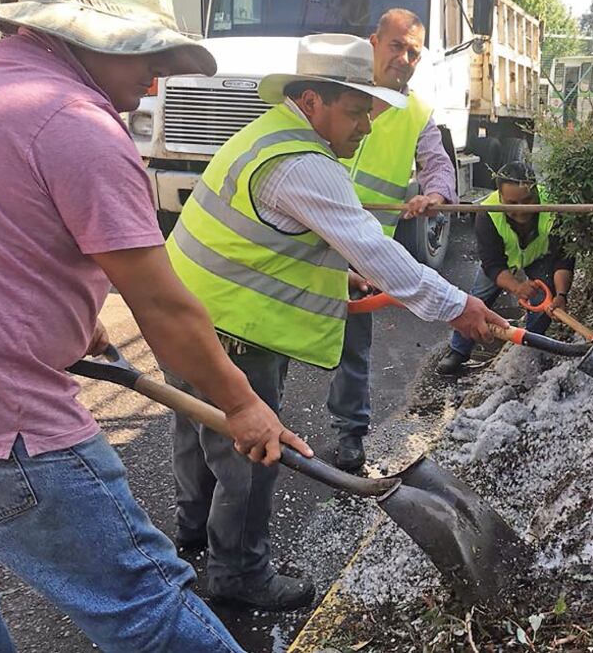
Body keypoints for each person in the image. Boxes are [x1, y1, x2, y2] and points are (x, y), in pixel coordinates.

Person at [0, 0, 315, 650]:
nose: (157, 74)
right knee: (146, 608)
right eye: (144, 52)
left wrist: (65, 322)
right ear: (85, 38)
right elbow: (162, 306)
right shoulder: (74, 125)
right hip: (12, 429)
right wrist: (242, 403)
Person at [166, 33, 506, 611]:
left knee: (199, 434)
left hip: (184, 316)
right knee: (250, 454)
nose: (366, 129)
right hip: (235, 332)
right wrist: (460, 306)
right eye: (355, 113)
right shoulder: (305, 165)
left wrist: (339, 277)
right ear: (310, 100)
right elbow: (377, 251)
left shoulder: (269, 134)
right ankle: (238, 572)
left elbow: (265, 234)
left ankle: (192, 534)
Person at [328, 8, 457, 472]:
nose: (404, 58)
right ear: (373, 43)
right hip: (305, 241)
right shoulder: (337, 88)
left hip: (362, 253)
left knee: (353, 348)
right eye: (396, 46)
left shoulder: (416, 113)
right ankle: (261, 426)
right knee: (277, 337)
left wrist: (436, 192)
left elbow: (437, 163)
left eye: (414, 52)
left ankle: (350, 436)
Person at [437, 162, 576, 375]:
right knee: (477, 301)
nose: (520, 210)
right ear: (500, 196)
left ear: (537, 192)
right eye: (512, 203)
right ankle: (458, 351)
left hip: (539, 256)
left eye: (527, 201)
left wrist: (561, 295)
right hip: (503, 263)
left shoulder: (555, 208)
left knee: (543, 297)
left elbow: (563, 260)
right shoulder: (487, 213)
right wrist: (517, 287)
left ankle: (529, 347)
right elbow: (493, 265)